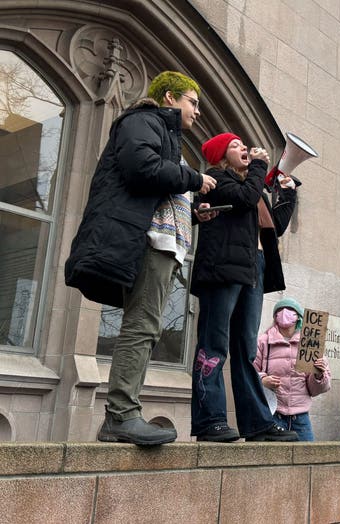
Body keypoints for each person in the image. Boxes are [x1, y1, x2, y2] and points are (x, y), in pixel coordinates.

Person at [65, 71, 217, 446]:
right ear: (170, 97)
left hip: (162, 244)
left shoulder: (163, 132)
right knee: (142, 325)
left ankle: (123, 413)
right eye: (193, 102)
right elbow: (142, 169)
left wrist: (193, 210)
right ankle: (121, 415)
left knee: (146, 326)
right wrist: (194, 179)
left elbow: (159, 186)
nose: (197, 112)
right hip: (150, 243)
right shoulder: (142, 120)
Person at [188, 132, 298, 442]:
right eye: (236, 146)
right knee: (213, 345)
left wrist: (288, 194)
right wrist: (261, 167)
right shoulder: (217, 177)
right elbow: (245, 197)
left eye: (244, 145)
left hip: (251, 270)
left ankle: (258, 423)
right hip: (221, 270)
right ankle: (210, 420)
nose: (245, 149)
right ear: (222, 156)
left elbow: (272, 226)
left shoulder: (251, 185)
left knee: (246, 351)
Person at [254, 298, 331, 441]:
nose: (284, 313)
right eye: (280, 311)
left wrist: (319, 375)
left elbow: (316, 390)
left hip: (301, 418)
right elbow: (250, 373)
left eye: (291, 311)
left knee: (307, 459)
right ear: (275, 317)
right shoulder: (263, 341)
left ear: (299, 318)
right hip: (272, 415)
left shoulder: (310, 344)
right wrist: (263, 380)